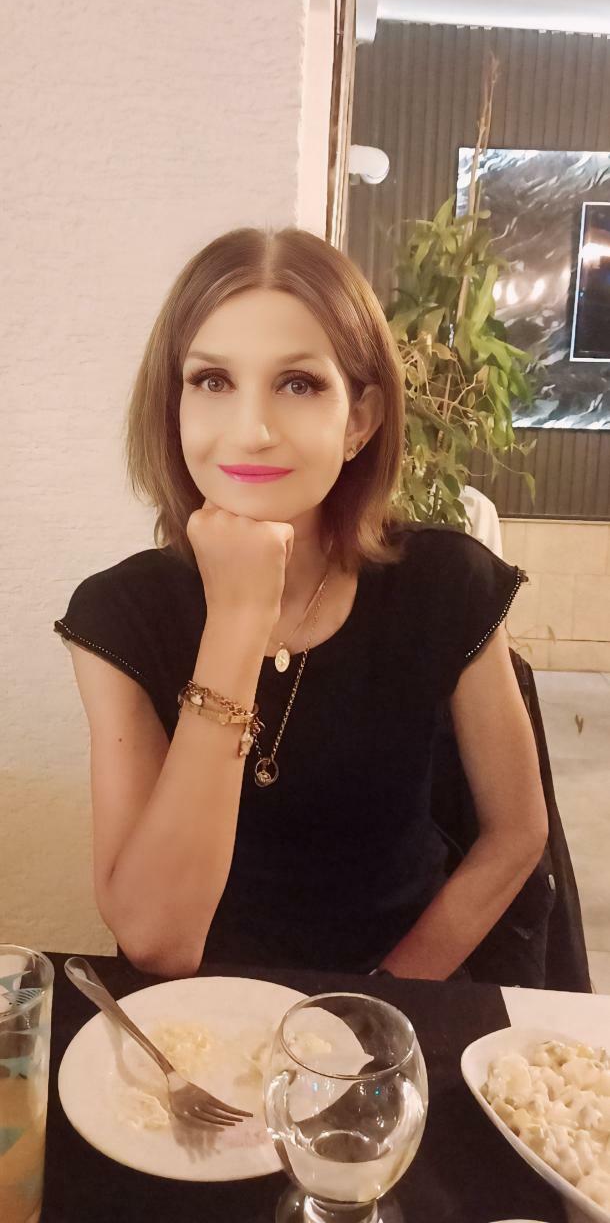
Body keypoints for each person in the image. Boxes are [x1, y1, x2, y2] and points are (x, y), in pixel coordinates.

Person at [54, 226, 548, 980]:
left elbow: (515, 835)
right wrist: (238, 619)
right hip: (201, 1021)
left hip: (398, 1000)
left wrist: (372, 1007)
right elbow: (157, 940)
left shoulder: (447, 583)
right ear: (173, 404)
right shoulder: (118, 615)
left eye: (298, 384)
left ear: (360, 419)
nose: (251, 431)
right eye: (212, 381)